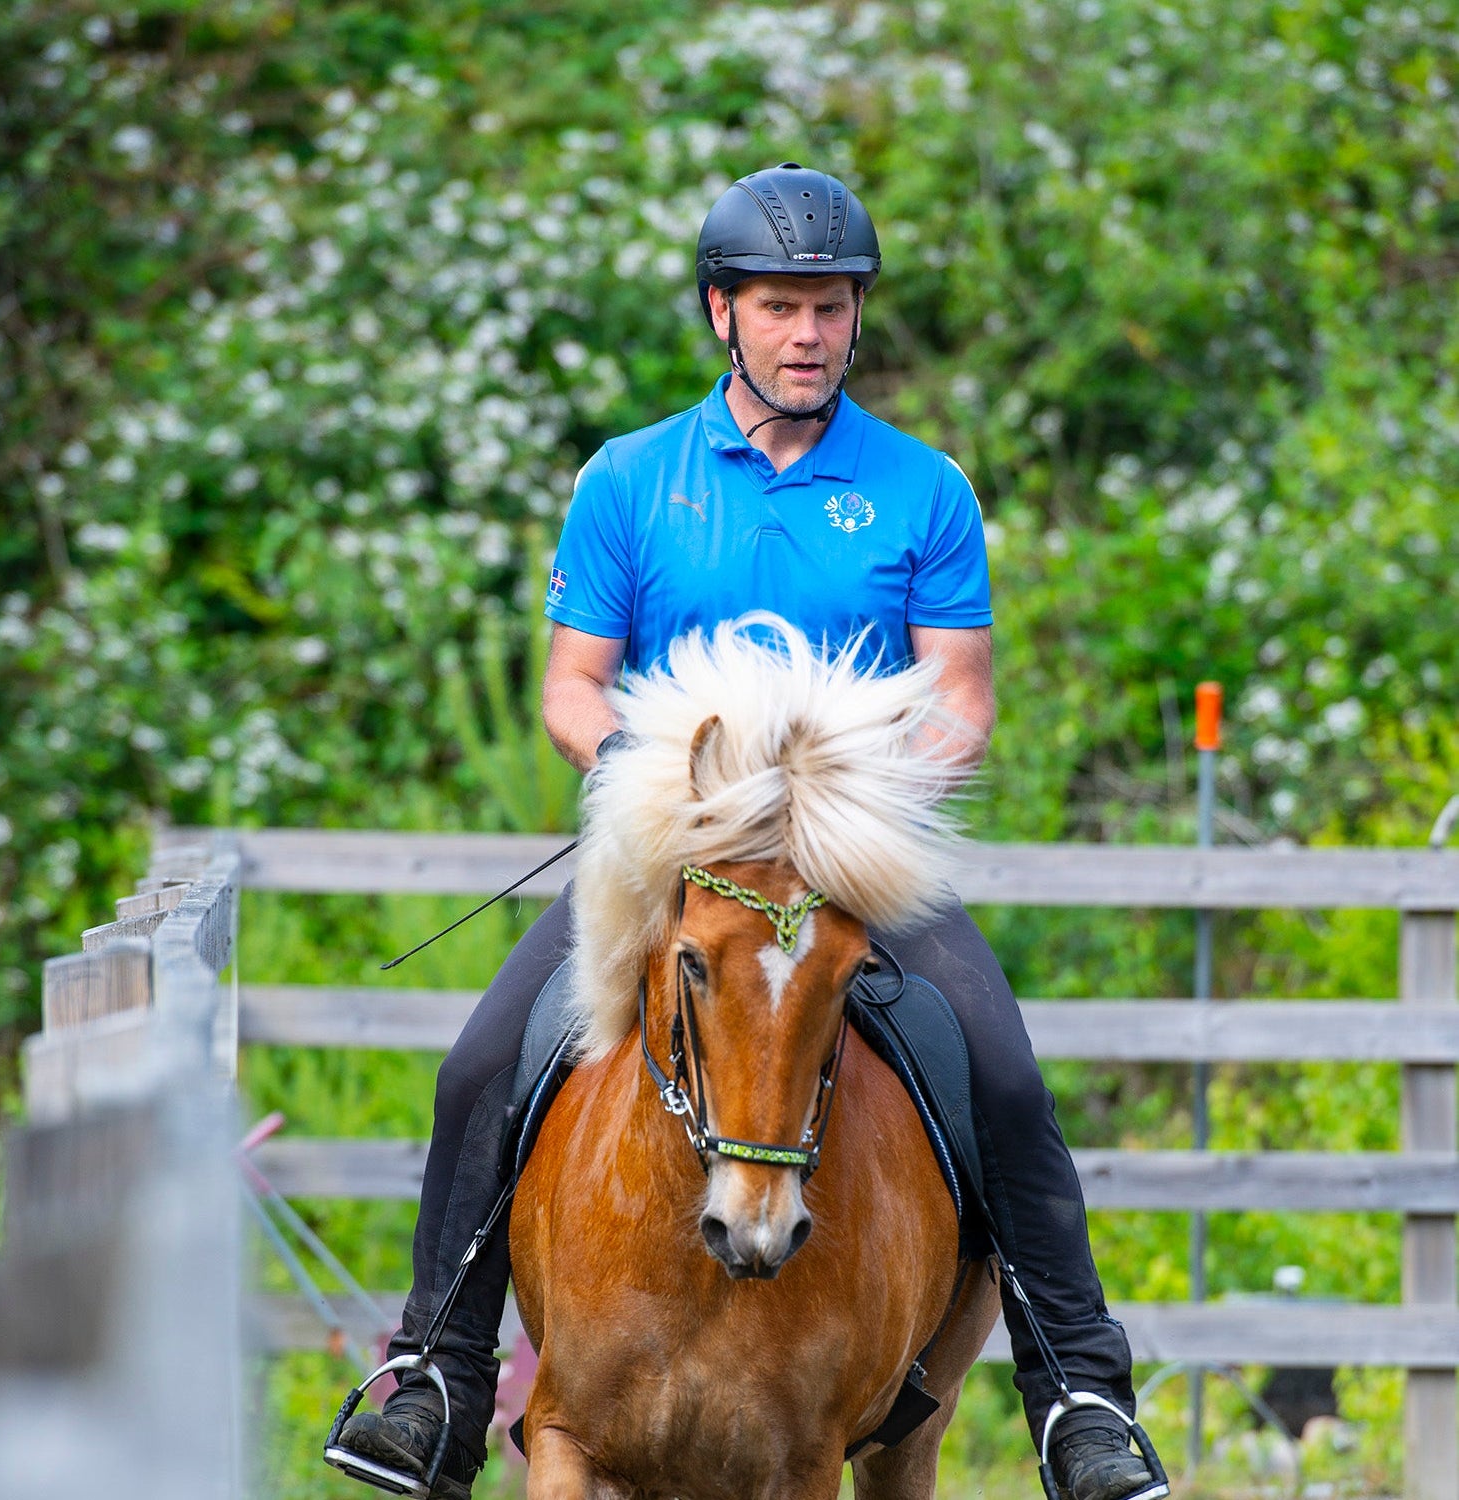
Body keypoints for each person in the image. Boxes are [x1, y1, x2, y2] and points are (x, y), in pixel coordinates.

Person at [338, 163, 1168, 1500]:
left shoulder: (922, 489)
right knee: (483, 1062)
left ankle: (1082, 1397)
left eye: (833, 309)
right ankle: (435, 1374)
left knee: (1007, 1082)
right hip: (675, 863)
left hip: (853, 868)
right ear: (722, 312)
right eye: (781, 306)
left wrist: (855, 801)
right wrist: (658, 780)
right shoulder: (629, 480)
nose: (809, 335)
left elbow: (958, 702)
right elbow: (572, 683)